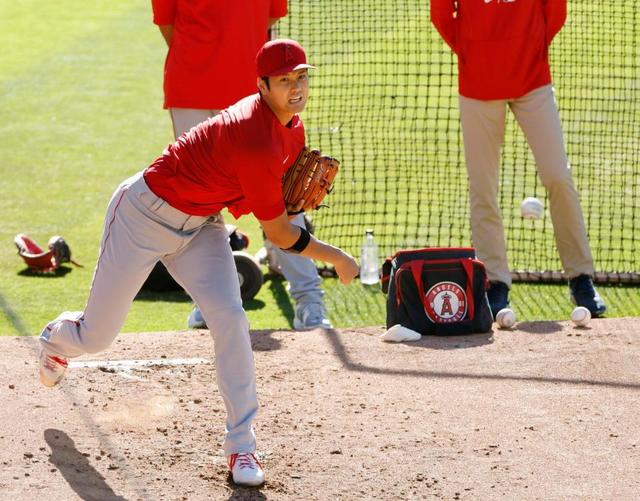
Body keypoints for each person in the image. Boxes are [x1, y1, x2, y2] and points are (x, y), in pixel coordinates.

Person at [37, 39, 359, 487]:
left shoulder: (292, 129)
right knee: (96, 336)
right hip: (142, 216)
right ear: (262, 85)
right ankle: (56, 339)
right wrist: (337, 257)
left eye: (301, 76)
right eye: (284, 80)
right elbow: (282, 235)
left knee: (230, 317)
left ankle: (242, 447)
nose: (296, 87)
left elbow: (268, 204)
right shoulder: (254, 137)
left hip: (200, 226)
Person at [152, 0, 332, 331]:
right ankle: (211, 304)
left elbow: (271, 19)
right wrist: (205, 62)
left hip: (255, 91)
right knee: (200, 204)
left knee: (285, 196)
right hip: (191, 87)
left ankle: (309, 301)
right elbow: (167, 24)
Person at [430, 0, 606, 318]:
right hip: (478, 86)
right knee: (483, 188)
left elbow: (555, 12)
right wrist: (476, 53)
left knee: (558, 175)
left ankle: (581, 277)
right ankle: (495, 282)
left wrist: (529, 50)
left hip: (533, 82)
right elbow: (441, 15)